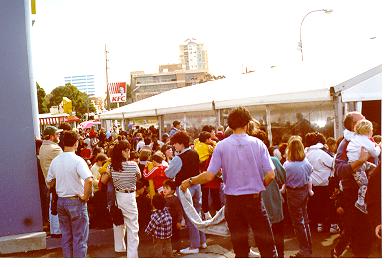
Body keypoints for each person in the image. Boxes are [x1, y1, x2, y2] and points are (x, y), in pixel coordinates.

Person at [180, 107, 277, 258]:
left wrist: (190, 181)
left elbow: (209, 176)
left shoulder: (221, 146)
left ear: (230, 125)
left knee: (240, 250)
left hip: (233, 203)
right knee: (267, 248)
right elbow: (271, 174)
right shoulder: (258, 144)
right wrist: (259, 186)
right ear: (247, 124)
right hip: (254, 200)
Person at [46, 131, 93, 258]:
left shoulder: (55, 161)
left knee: (66, 237)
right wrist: (85, 196)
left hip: (61, 201)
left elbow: (49, 183)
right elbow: (89, 179)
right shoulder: (78, 160)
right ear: (76, 143)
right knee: (80, 238)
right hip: (76, 201)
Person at [334, 111, 373, 257]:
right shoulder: (345, 143)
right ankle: (340, 250)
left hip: (369, 194)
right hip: (353, 196)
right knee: (360, 237)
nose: (365, 121)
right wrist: (360, 161)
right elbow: (339, 170)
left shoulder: (367, 140)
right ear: (353, 125)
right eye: (362, 119)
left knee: (366, 235)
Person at [165, 131, 207, 255]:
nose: (174, 146)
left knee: (190, 216)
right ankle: (202, 241)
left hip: (184, 188)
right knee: (198, 214)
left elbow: (169, 173)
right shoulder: (195, 153)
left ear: (181, 144)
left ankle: (194, 246)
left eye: (176, 144)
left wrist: (170, 159)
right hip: (197, 185)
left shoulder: (178, 158)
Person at [103, 140, 141, 258]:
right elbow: (139, 177)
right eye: (128, 150)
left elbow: (103, 180)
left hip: (118, 196)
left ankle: (119, 247)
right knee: (133, 226)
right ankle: (132, 256)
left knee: (118, 221)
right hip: (129, 197)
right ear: (123, 152)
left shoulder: (111, 166)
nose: (129, 152)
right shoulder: (133, 165)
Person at [283, 136, 313, 258]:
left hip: (293, 193)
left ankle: (304, 250)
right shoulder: (306, 163)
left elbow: (283, 179)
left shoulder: (287, 165)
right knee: (305, 221)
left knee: (298, 223)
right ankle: (308, 247)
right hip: (304, 191)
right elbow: (310, 175)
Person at [345, 119, 380, 213]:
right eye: (372, 130)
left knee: (375, 168)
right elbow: (375, 153)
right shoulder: (365, 140)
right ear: (368, 131)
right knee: (364, 184)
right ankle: (360, 203)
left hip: (358, 163)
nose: (373, 132)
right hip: (357, 167)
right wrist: (379, 147)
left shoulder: (356, 138)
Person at [39, 126, 63, 238]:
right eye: (57, 134)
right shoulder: (55, 149)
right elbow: (65, 164)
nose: (59, 136)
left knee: (53, 206)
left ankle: (55, 230)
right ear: (51, 136)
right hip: (58, 182)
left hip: (50, 182)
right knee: (57, 207)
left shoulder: (43, 147)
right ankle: (57, 230)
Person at [145, 193, 173, 257]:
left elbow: (150, 226)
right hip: (168, 234)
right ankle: (170, 256)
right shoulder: (166, 210)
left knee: (158, 248)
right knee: (168, 245)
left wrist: (146, 232)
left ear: (153, 204)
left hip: (159, 236)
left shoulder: (155, 216)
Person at [163, 179, 184, 252]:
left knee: (175, 235)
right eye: (164, 188)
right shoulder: (163, 198)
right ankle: (169, 248)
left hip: (174, 221)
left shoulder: (175, 199)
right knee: (167, 235)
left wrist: (179, 221)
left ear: (172, 191)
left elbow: (179, 211)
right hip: (166, 222)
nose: (164, 190)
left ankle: (176, 248)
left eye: (167, 188)